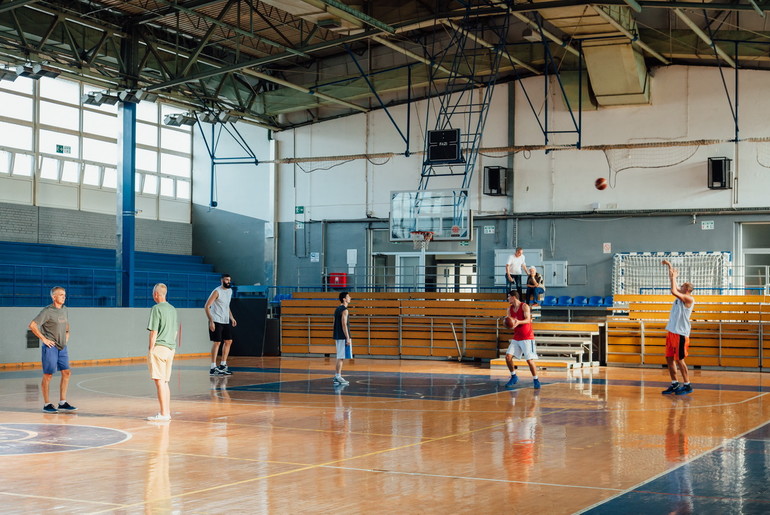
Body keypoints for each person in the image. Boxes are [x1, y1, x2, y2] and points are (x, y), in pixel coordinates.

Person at [29, 286, 77, 413]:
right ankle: (47, 404)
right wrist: (43, 339)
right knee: (48, 375)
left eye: (64, 294)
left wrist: (67, 335)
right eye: (61, 295)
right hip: (51, 347)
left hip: (62, 347)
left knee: (67, 372)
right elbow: (32, 325)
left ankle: (62, 402)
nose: (63, 297)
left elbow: (66, 324)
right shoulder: (47, 311)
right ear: (53, 297)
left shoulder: (65, 309)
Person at [661, 260, 695, 396]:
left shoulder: (689, 299)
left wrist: (674, 277)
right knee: (669, 358)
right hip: (672, 332)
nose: (679, 287)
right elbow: (673, 282)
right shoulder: (681, 297)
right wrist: (669, 266)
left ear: (686, 290)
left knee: (679, 359)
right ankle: (675, 384)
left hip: (681, 334)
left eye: (682, 286)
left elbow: (673, 290)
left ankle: (687, 385)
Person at [147, 283, 178, 421]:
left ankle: (164, 414)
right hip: (171, 348)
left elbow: (154, 331)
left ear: (155, 294)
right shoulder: (172, 309)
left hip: (159, 348)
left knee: (159, 382)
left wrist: (151, 349)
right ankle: (167, 412)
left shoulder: (156, 308)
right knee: (165, 382)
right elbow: (175, 331)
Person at [503, 290, 541, 389]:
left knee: (529, 360)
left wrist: (518, 322)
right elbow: (509, 321)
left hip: (527, 337)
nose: (508, 299)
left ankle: (536, 379)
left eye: (509, 297)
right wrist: (508, 324)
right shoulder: (509, 309)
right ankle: (513, 376)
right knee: (508, 357)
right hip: (517, 336)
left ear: (514, 297)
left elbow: (528, 319)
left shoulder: (524, 306)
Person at [204, 273, 237, 376]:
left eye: (229, 280)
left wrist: (232, 317)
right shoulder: (217, 291)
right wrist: (211, 321)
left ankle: (223, 365)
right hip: (216, 320)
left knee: (229, 341)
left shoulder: (230, 291)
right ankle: (213, 367)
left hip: (225, 320)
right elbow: (207, 306)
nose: (228, 282)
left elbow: (227, 306)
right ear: (222, 280)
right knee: (217, 342)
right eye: (227, 280)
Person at [332, 291, 352, 385]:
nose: (350, 298)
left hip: (338, 335)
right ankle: (338, 376)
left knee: (340, 356)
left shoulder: (337, 309)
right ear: (344, 299)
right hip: (342, 336)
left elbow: (334, 323)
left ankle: (337, 376)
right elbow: (344, 324)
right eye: (348, 296)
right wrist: (347, 337)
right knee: (340, 357)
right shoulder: (344, 310)